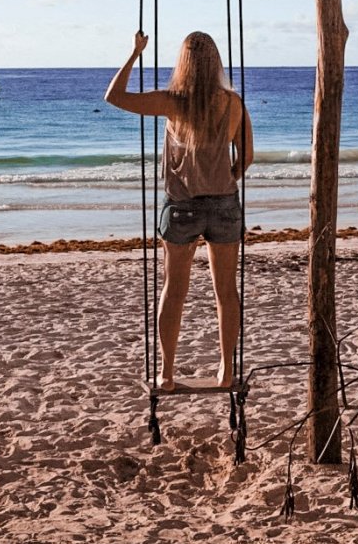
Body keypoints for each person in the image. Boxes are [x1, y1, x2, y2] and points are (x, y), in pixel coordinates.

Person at [105, 30, 254, 391]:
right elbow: (246, 157)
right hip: (224, 206)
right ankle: (225, 371)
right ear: (216, 63)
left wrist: (135, 52)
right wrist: (227, 176)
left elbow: (115, 96)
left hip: (182, 207)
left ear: (183, 64)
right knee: (225, 290)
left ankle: (167, 374)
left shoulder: (173, 101)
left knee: (173, 290)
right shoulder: (233, 103)